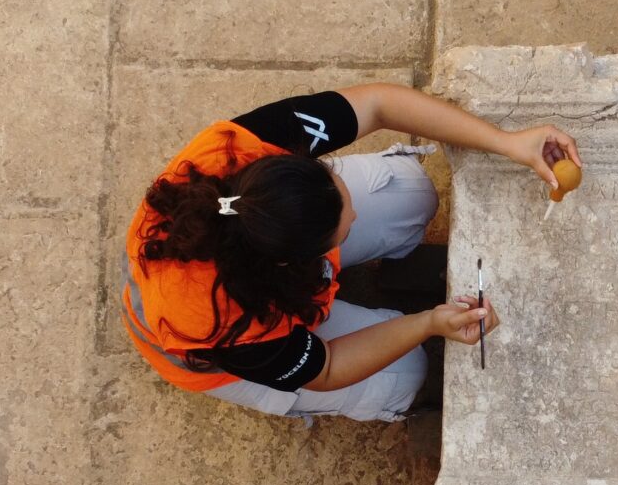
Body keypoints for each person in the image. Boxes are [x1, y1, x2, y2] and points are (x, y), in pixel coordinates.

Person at [122, 84, 580, 421]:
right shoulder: (223, 322)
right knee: (403, 376)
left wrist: (508, 142)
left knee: (409, 192)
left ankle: (343, 262)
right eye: (341, 233)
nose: (355, 219)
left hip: (264, 251)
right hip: (220, 335)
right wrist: (427, 323)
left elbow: (377, 105)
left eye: (337, 193)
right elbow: (328, 367)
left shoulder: (242, 154)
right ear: (291, 262)